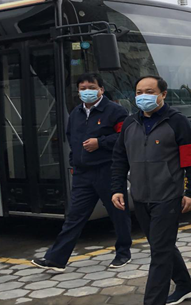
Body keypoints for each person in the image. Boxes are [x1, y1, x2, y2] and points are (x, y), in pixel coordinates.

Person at [111, 75, 191, 305]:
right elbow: (119, 158)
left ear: (163, 94)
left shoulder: (177, 122)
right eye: (139, 92)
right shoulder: (130, 123)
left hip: (168, 196)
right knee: (161, 245)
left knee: (160, 253)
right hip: (140, 196)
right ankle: (186, 285)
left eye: (150, 92)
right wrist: (117, 188)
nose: (143, 96)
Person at [32, 73, 131, 273]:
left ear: (101, 89)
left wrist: (100, 142)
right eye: (83, 88)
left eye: (91, 87)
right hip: (82, 174)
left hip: (108, 170)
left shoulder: (115, 111)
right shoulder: (76, 113)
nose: (87, 91)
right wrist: (74, 162)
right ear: (78, 92)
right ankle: (56, 259)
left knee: (118, 213)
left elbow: (125, 137)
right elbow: (72, 139)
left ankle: (123, 253)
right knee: (74, 216)